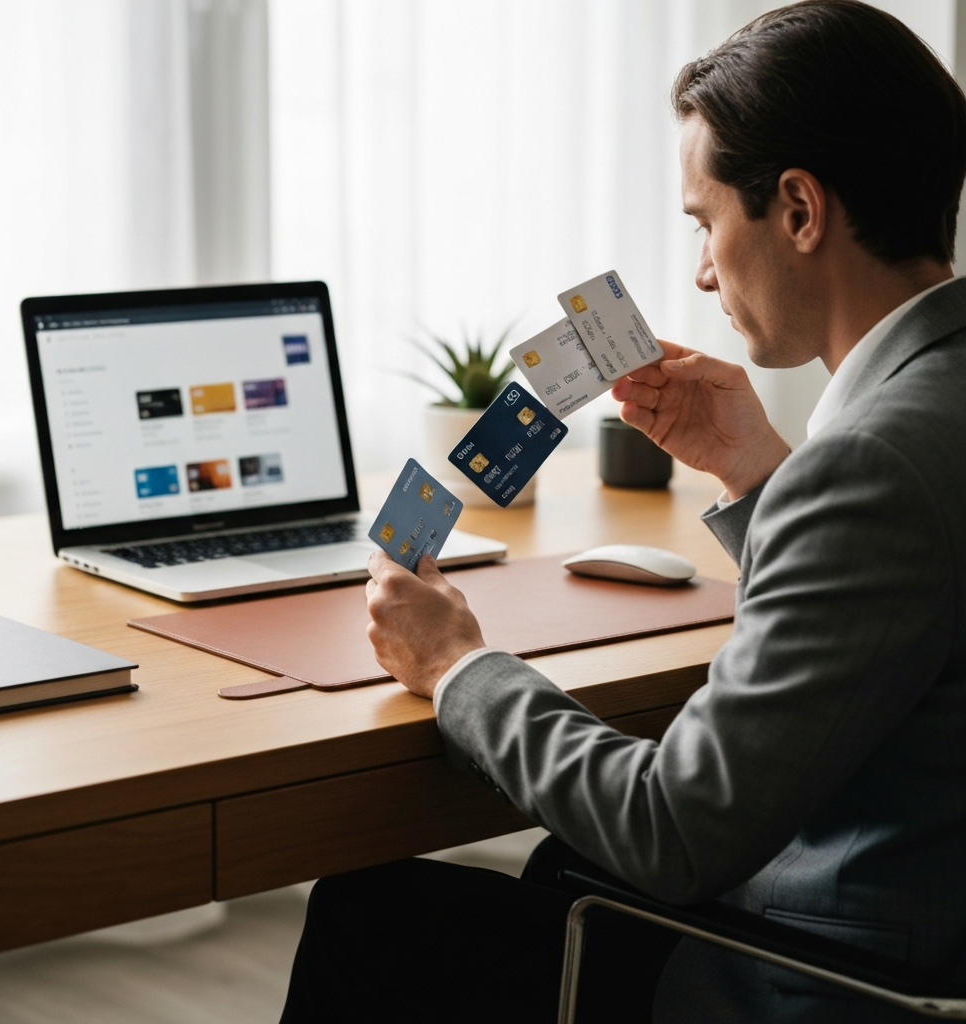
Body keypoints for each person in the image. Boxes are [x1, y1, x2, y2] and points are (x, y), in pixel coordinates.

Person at [281, 2, 966, 1021]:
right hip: (925, 904)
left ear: (797, 209)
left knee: (367, 913)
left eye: (704, 222)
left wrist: (456, 665)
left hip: (835, 985)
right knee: (557, 867)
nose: (701, 270)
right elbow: (907, 607)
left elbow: (671, 829)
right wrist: (759, 475)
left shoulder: (869, 465)